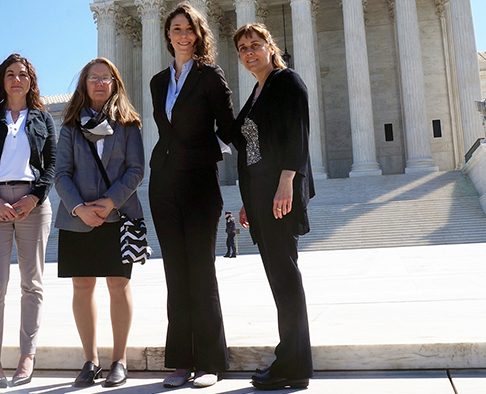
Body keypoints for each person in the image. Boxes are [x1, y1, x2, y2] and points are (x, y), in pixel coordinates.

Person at [148, 2, 234, 389]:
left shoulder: (210, 77)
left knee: (201, 273)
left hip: (200, 183)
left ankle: (211, 361)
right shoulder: (157, 82)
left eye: (189, 29)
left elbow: (230, 127)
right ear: (168, 35)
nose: (182, 35)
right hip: (164, 184)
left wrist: (266, 148)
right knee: (175, 274)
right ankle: (181, 361)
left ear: (198, 35)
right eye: (176, 28)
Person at [232, 23, 315, 390]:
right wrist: (249, 201)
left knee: (286, 278)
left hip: (280, 194)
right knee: (279, 279)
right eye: (243, 48)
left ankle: (294, 366)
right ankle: (289, 358)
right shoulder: (256, 91)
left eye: (255, 44)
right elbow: (247, 147)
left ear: (270, 46)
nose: (249, 52)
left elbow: (298, 135)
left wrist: (286, 183)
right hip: (261, 196)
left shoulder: (286, 81)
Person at [0, 54, 56, 388]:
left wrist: (35, 197)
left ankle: (26, 355)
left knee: (32, 283)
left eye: (23, 74)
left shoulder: (43, 119)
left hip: (32, 202)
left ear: (30, 81)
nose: (17, 79)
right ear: (1, 80)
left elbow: (52, 164)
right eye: (10, 74)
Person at [54, 58, 144, 388]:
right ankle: (90, 360)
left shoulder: (128, 124)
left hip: (117, 214)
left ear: (115, 83)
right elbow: (61, 173)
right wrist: (79, 207)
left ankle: (119, 360)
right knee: (82, 287)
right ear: (85, 84)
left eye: (106, 78)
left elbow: (136, 170)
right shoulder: (70, 127)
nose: (100, 83)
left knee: (118, 285)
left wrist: (107, 203)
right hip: (78, 218)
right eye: (94, 78)